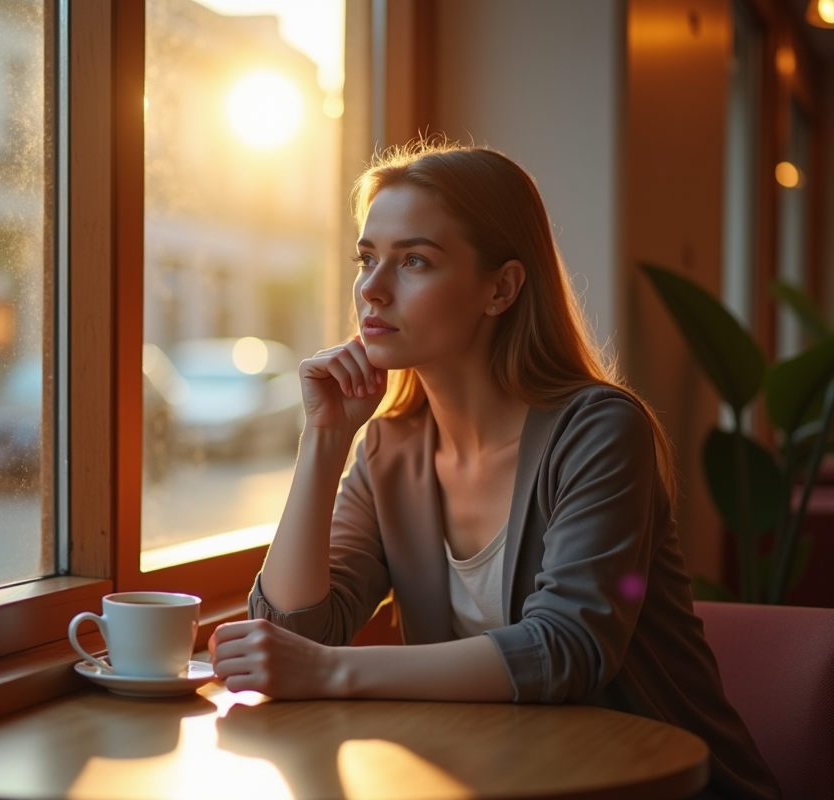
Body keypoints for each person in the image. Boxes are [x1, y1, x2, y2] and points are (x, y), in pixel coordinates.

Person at [208, 143, 780, 800]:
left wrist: (330, 673)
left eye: (414, 260)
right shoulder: (388, 450)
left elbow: (568, 648)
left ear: (501, 288)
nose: (372, 287)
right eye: (368, 259)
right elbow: (291, 636)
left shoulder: (598, 431)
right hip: (496, 778)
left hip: (658, 786)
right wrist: (326, 441)